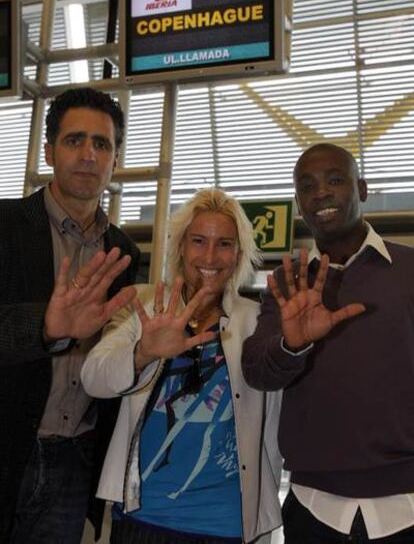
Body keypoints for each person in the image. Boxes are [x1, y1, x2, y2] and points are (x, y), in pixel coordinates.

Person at [81, 188, 283, 544]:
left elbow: (278, 421)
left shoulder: (256, 321)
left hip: (225, 523)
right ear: (180, 248)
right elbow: (93, 379)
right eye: (198, 241)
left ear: (238, 255)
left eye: (224, 244)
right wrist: (143, 351)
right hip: (142, 515)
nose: (209, 255)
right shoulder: (148, 308)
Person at [242, 142, 414, 543]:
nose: (320, 192)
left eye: (335, 180)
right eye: (307, 186)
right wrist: (292, 344)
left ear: (363, 189)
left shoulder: (410, 270)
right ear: (299, 203)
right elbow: (257, 371)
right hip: (311, 507)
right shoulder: (287, 283)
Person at [0, 87, 140, 544]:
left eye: (101, 144)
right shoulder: (5, 226)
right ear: (48, 152)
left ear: (115, 160)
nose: (88, 155)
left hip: (75, 458)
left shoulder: (123, 250)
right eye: (74, 140)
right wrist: (46, 327)